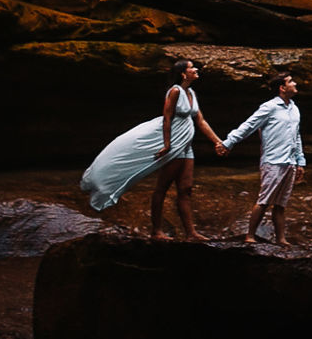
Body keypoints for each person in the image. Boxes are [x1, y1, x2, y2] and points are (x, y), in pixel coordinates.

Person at [80, 59, 228, 239]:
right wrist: (167, 145)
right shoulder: (175, 91)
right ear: (183, 74)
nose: (196, 69)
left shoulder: (191, 92)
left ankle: (191, 233)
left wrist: (218, 142)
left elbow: (201, 121)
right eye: (192, 67)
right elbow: (167, 118)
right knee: (162, 187)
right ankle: (156, 231)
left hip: (186, 146)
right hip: (174, 144)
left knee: (186, 189)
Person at [221, 72, 306, 245]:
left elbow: (296, 136)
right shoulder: (269, 107)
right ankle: (250, 236)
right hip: (273, 161)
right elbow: (249, 125)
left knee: (281, 204)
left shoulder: (294, 109)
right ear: (282, 88)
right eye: (291, 81)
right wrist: (228, 142)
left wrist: (300, 161)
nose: (295, 83)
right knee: (264, 200)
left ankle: (281, 239)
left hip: (290, 162)